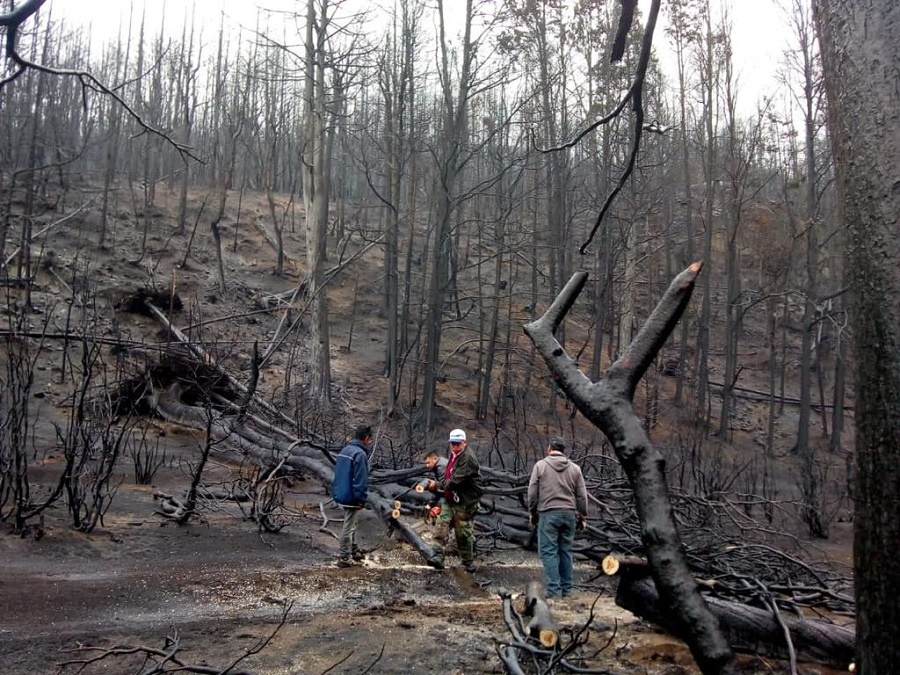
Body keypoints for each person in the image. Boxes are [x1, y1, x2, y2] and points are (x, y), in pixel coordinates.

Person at [527, 436, 588, 598]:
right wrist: (582, 515)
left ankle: (554, 591)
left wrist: (532, 513)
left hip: (548, 513)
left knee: (548, 552)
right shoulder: (575, 469)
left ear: (549, 448)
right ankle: (567, 590)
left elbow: (532, 493)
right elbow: (582, 496)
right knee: (566, 551)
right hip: (569, 514)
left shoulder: (540, 466)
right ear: (563, 450)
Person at [425, 428, 483, 572]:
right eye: (453, 443)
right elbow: (448, 476)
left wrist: (436, 485)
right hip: (450, 499)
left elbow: (455, 481)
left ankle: (468, 563)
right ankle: (437, 557)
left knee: (463, 533)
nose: (455, 446)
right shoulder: (454, 454)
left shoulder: (468, 459)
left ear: (464, 442)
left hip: (465, 502)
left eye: (458, 443)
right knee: (440, 526)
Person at [331, 424, 373, 568]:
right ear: (366, 438)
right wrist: (361, 498)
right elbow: (360, 479)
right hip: (351, 495)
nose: (370, 443)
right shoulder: (360, 454)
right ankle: (344, 556)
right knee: (349, 525)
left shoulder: (345, 450)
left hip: (341, 492)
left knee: (352, 523)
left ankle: (353, 550)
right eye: (370, 440)